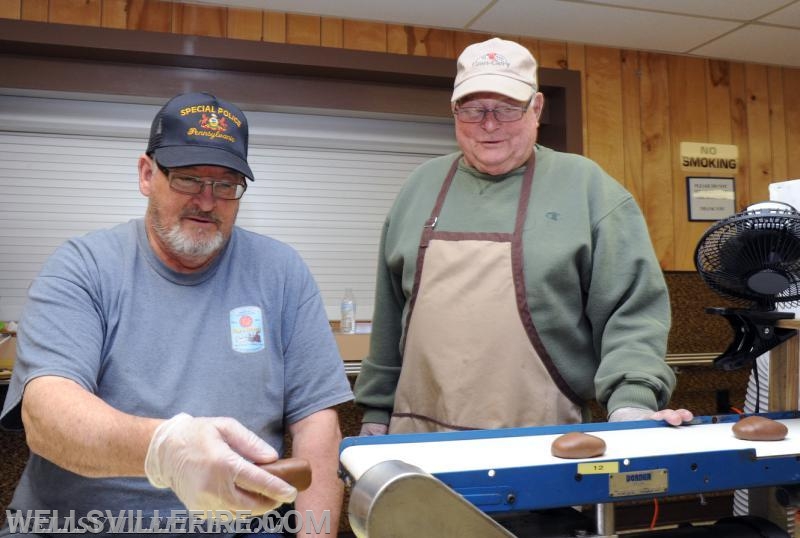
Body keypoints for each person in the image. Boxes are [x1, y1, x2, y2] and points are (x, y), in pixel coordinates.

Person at [0, 92, 353, 536]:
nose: (207, 201)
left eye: (225, 185)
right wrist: (164, 449)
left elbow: (316, 422)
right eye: (188, 179)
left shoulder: (280, 272)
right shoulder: (84, 266)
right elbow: (47, 417)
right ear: (147, 174)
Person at [353, 37, 692, 436]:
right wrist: (376, 413)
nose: (490, 124)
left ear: (537, 108)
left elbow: (632, 312)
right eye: (473, 108)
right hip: (419, 436)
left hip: (545, 437)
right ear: (453, 111)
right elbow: (391, 313)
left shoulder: (587, 188)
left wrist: (633, 402)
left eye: (507, 108)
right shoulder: (419, 187)